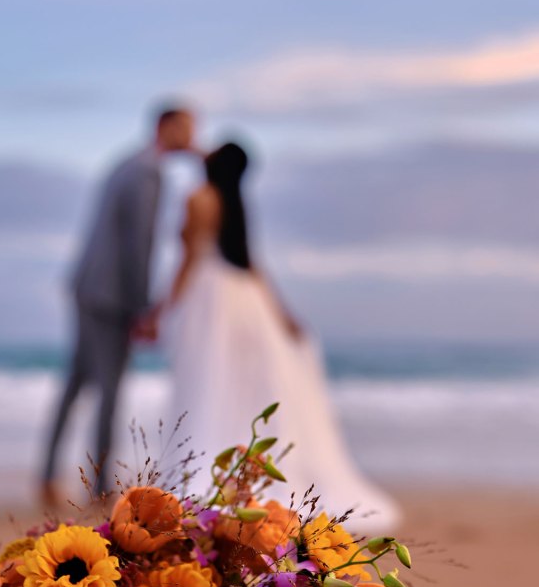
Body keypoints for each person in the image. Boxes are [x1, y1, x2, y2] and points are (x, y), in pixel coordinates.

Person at [164, 141, 400, 533]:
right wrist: (283, 315)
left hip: (210, 298)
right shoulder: (236, 204)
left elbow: (188, 258)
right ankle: (245, 474)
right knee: (244, 388)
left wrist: (165, 306)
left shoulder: (199, 198)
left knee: (209, 382)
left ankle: (220, 471)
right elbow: (253, 263)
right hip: (245, 299)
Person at [41, 106, 195, 503]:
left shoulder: (126, 163)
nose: (193, 137)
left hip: (88, 285)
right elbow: (138, 243)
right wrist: (144, 308)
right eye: (188, 128)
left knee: (76, 384)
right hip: (110, 296)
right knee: (108, 390)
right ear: (166, 126)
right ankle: (101, 486)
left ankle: (48, 476)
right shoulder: (149, 172)